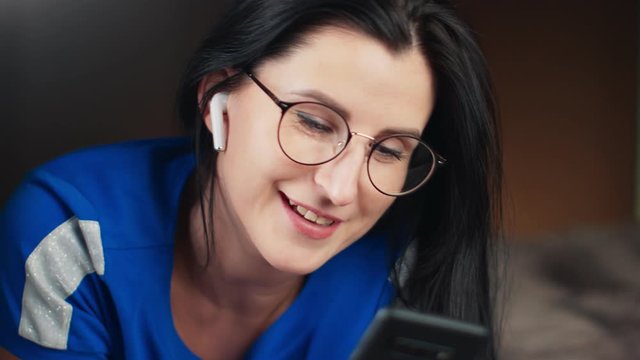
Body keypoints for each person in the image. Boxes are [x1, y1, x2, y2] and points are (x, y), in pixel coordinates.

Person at [0, 0, 503, 358]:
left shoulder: (408, 270)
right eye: (312, 121)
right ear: (217, 100)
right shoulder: (68, 239)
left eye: (391, 150)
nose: (341, 189)